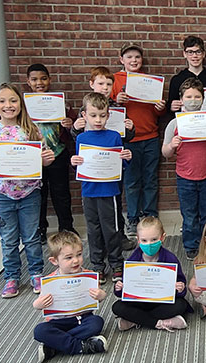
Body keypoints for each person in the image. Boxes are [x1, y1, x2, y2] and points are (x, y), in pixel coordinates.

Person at [0, 83, 55, 298]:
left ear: (21, 103)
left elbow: (43, 159)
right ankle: (11, 276)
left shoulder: (31, 129)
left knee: (31, 237)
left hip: (30, 193)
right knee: (8, 239)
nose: (8, 105)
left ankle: (36, 273)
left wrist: (47, 159)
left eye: (13, 100)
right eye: (2, 101)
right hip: (1, 194)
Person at [71, 66, 137, 251]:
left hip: (112, 165)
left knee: (115, 205)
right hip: (92, 170)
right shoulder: (85, 108)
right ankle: (100, 250)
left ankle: (119, 236)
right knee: (96, 217)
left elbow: (125, 138)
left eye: (109, 84)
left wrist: (130, 129)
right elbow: (77, 141)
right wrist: (75, 128)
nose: (105, 87)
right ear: (92, 84)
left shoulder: (118, 107)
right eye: (101, 83)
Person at [162, 78, 206, 260]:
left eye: (197, 96)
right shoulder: (174, 124)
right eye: (189, 96)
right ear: (181, 99)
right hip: (185, 177)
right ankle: (191, 245)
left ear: (203, 99)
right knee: (189, 215)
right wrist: (172, 145)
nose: (193, 100)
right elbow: (165, 153)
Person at [71, 93, 133, 283]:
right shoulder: (81, 138)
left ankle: (116, 263)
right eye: (93, 115)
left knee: (112, 229)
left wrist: (127, 159)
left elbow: (120, 166)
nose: (98, 120)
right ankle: (97, 265)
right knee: (93, 229)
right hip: (89, 190)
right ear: (84, 115)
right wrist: (74, 162)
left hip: (110, 191)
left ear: (108, 115)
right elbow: (81, 164)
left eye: (102, 115)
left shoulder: (114, 136)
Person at [110, 42, 167, 235]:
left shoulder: (150, 81)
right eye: (129, 57)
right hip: (128, 140)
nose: (133, 60)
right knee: (132, 181)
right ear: (121, 60)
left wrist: (160, 108)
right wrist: (116, 101)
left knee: (150, 179)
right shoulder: (115, 80)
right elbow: (105, 109)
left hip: (150, 137)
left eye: (137, 57)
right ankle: (133, 219)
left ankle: (150, 216)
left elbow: (158, 112)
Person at [33, 231, 108, 363]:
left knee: (97, 322)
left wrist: (101, 295)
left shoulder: (89, 275)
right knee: (40, 331)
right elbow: (39, 303)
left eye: (79, 255)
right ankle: (81, 346)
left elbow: (99, 296)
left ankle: (54, 346)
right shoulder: (49, 281)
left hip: (82, 318)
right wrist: (38, 304)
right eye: (68, 257)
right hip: (58, 322)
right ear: (54, 261)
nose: (75, 260)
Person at [26, 63, 76, 243]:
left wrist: (69, 123)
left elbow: (75, 125)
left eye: (43, 78)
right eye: (34, 79)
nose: (39, 82)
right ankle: (40, 228)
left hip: (57, 153)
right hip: (34, 156)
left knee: (61, 193)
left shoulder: (60, 102)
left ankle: (67, 227)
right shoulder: (24, 105)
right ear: (28, 82)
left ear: (50, 80)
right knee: (38, 193)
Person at [112, 216, 192, 331]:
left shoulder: (170, 259)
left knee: (181, 305)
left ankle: (136, 320)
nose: (149, 244)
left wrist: (180, 288)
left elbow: (181, 287)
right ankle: (160, 323)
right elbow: (123, 292)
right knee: (117, 307)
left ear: (162, 237)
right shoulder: (132, 261)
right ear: (138, 240)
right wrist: (119, 288)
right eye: (144, 240)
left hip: (161, 302)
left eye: (154, 239)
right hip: (139, 302)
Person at [167, 35, 206, 114]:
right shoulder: (177, 80)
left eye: (198, 52)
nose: (195, 56)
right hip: (185, 123)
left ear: (203, 54)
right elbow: (169, 109)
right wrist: (171, 107)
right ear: (184, 54)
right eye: (190, 52)